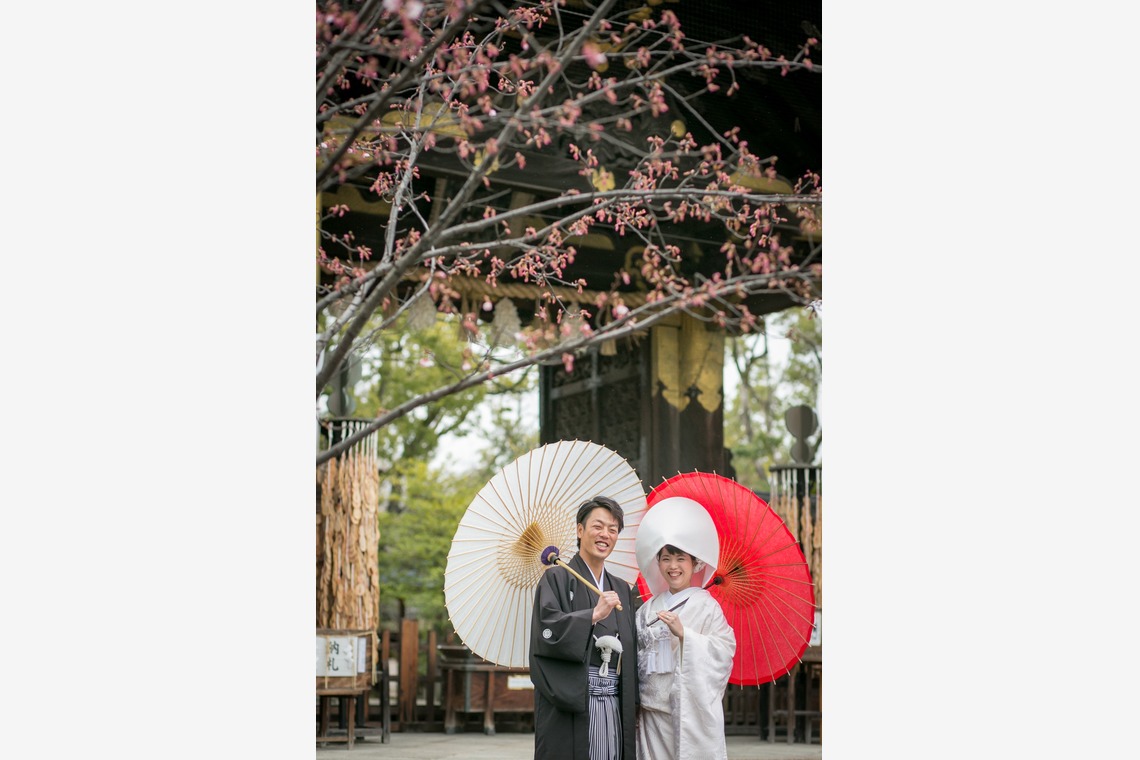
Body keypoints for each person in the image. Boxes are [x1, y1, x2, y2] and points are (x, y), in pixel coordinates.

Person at [530, 496, 639, 760]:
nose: (605, 535)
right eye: (597, 526)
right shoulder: (556, 577)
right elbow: (546, 632)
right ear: (580, 530)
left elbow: (631, 650)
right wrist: (592, 615)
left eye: (613, 530)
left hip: (614, 697)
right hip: (575, 697)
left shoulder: (621, 588)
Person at [634, 497, 736, 760]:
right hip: (649, 713)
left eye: (681, 559)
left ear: (695, 563)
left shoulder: (706, 607)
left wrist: (686, 636)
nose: (673, 567)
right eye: (666, 559)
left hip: (685, 713)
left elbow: (724, 652)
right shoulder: (647, 609)